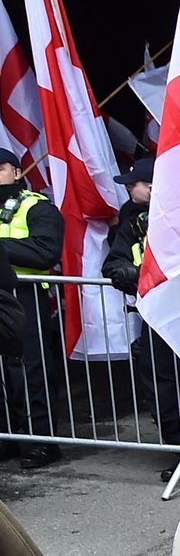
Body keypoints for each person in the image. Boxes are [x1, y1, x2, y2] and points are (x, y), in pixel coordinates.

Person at [100, 157, 180, 470]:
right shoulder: (130, 221)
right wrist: (130, 274)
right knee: (159, 384)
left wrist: (139, 275)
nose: (129, 188)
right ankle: (177, 449)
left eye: (135, 183)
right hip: (153, 314)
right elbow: (113, 264)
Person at [0, 146, 65, 469]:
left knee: (33, 369)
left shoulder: (37, 207)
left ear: (17, 172)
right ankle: (7, 438)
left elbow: (44, 253)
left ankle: (44, 441)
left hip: (24, 296)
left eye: (0, 169)